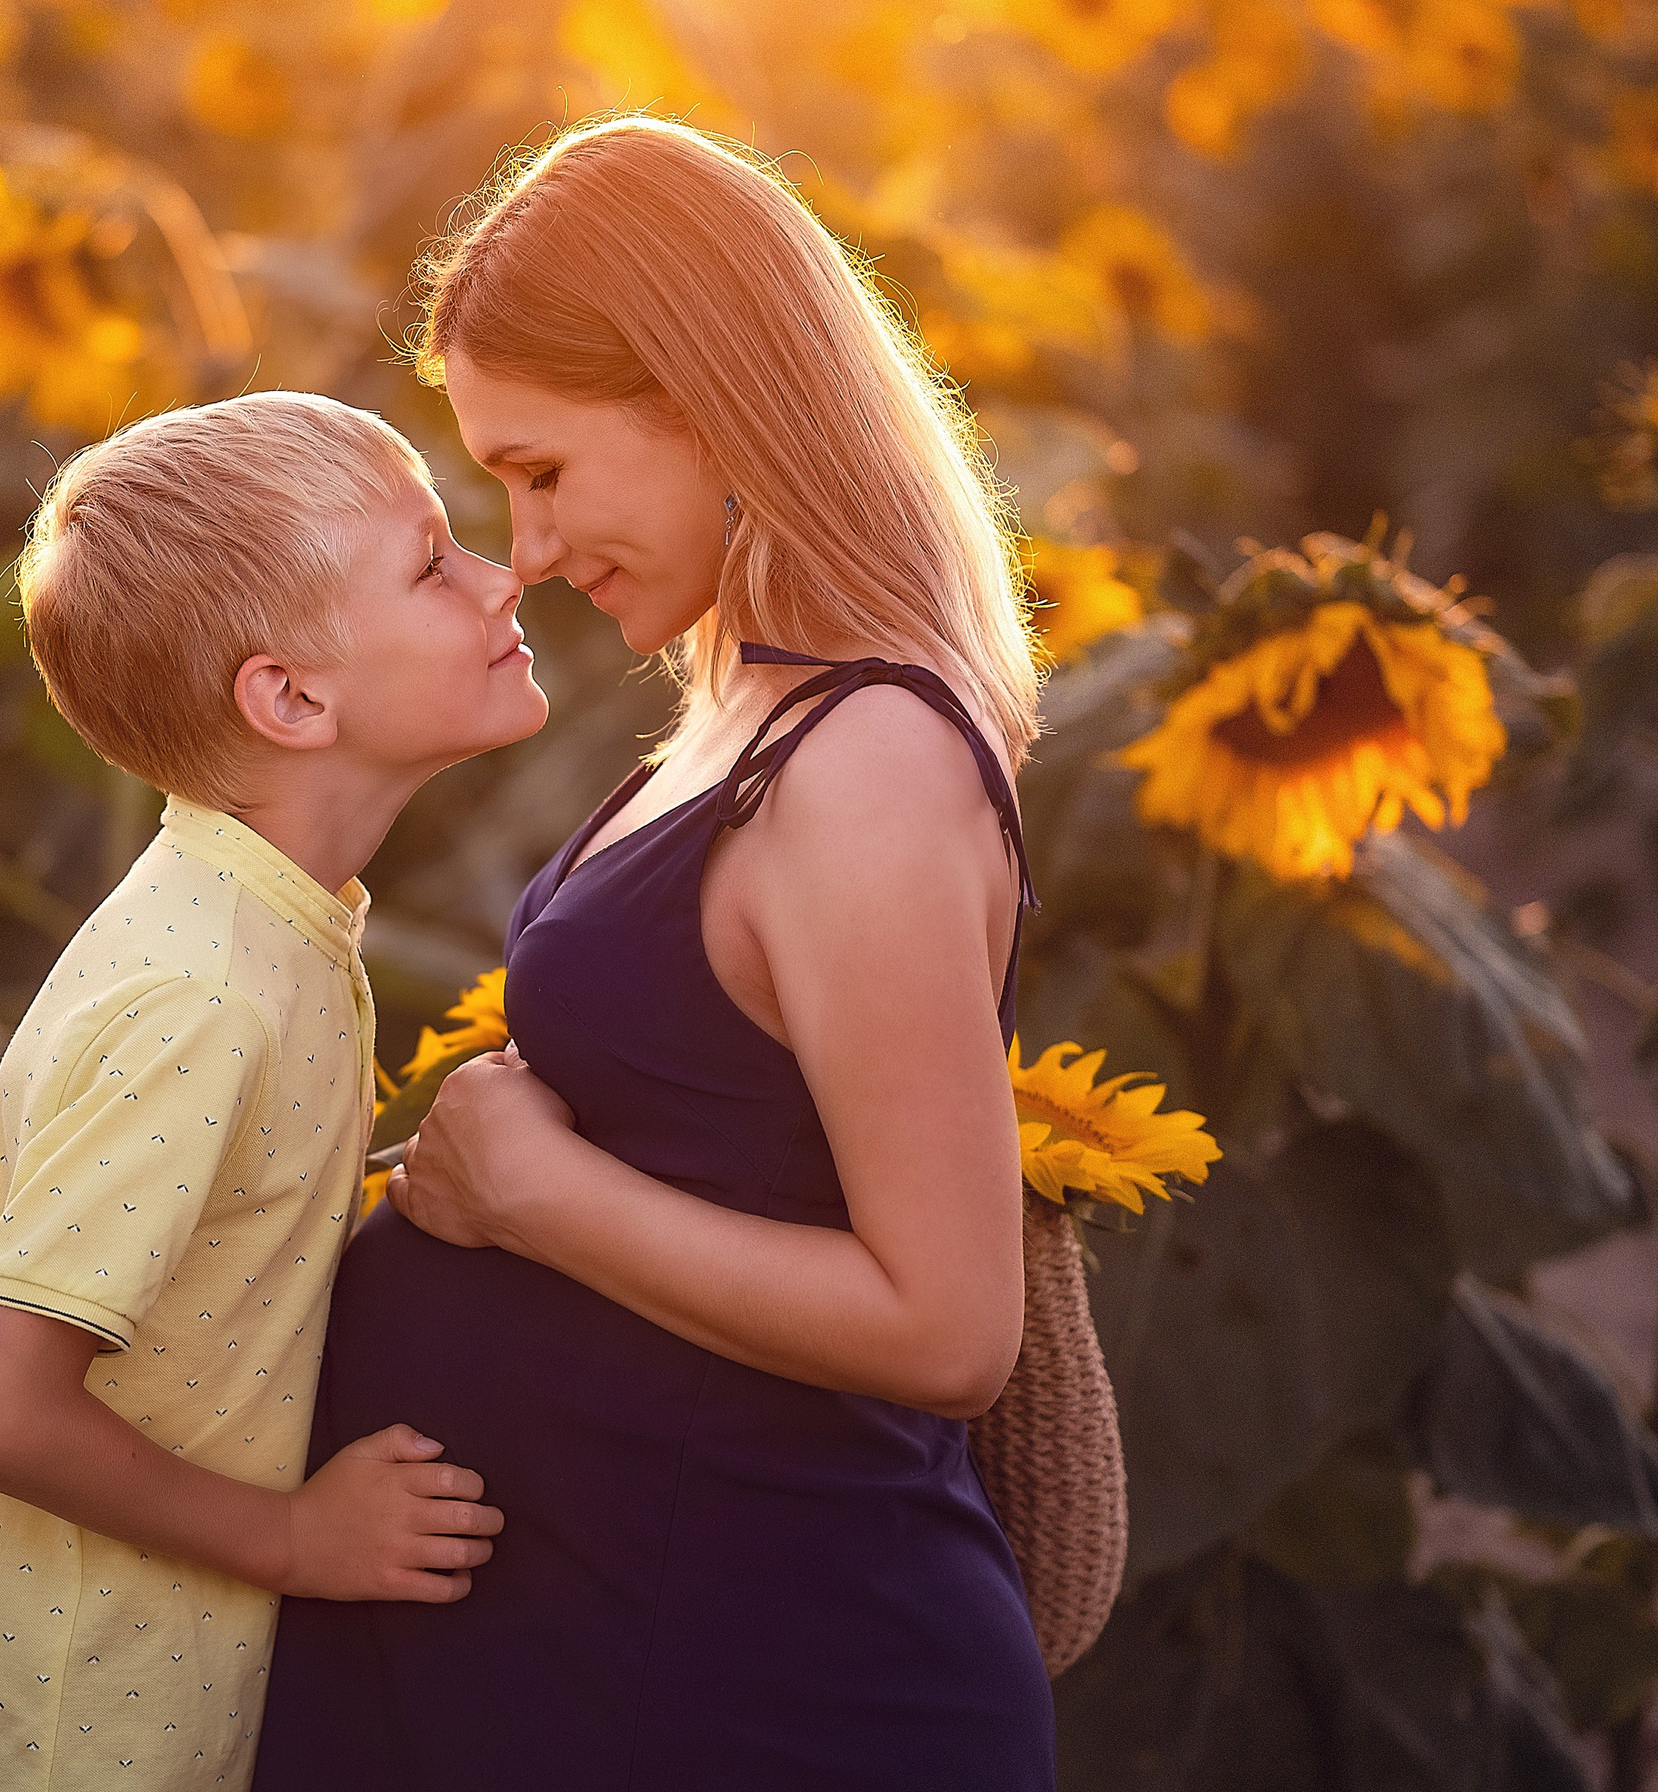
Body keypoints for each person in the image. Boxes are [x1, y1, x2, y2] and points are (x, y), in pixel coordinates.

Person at [254, 118, 1058, 1788]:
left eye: (540, 472)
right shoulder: (742, 712)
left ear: (707, 398)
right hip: (625, 1647)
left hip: (777, 1680)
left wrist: (534, 1198)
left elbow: (948, 1326)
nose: (526, 551)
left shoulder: (870, 764)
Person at [0, 391, 547, 1792]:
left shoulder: (264, 928)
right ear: (290, 697)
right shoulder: (204, 996)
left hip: (138, 1684)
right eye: (431, 562)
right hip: (72, 1731)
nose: (502, 573)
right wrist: (298, 1538)